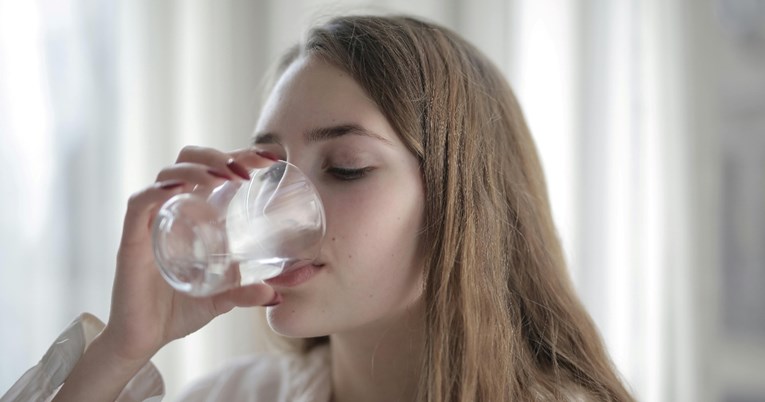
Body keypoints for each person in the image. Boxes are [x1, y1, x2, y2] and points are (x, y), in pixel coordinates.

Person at [3, 14, 635, 402]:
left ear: (461, 203)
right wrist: (122, 350)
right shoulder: (237, 397)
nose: (278, 207)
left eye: (346, 168)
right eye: (267, 170)